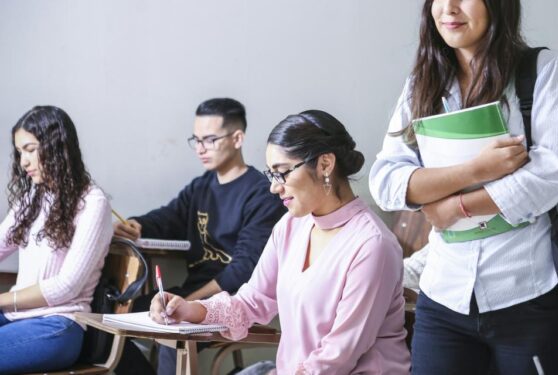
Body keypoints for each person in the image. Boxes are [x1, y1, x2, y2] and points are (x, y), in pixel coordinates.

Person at [369, 0, 558, 373]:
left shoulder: (540, 70)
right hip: (445, 297)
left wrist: (454, 207)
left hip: (528, 292)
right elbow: (386, 181)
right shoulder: (422, 82)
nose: (449, 8)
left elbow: (552, 174)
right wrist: (475, 170)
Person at [150, 110, 411, 374]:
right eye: (271, 174)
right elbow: (252, 301)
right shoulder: (290, 226)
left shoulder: (372, 245)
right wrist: (190, 309)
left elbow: (339, 355)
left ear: (324, 165)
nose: (275, 187)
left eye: (283, 172)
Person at [113, 98, 286, 375]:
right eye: (196, 140)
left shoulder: (261, 193)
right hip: (191, 294)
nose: (201, 149)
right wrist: (136, 225)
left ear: (237, 138)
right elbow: (169, 218)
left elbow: (243, 270)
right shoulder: (201, 186)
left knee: (172, 338)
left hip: (233, 301)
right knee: (114, 322)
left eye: (209, 139)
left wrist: (191, 303)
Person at [0, 106, 113, 374]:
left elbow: (66, 287)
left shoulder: (92, 202)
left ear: (56, 145)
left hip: (58, 326)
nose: (24, 161)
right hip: (15, 318)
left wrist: (2, 299)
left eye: (30, 149)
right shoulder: (32, 199)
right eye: (19, 153)